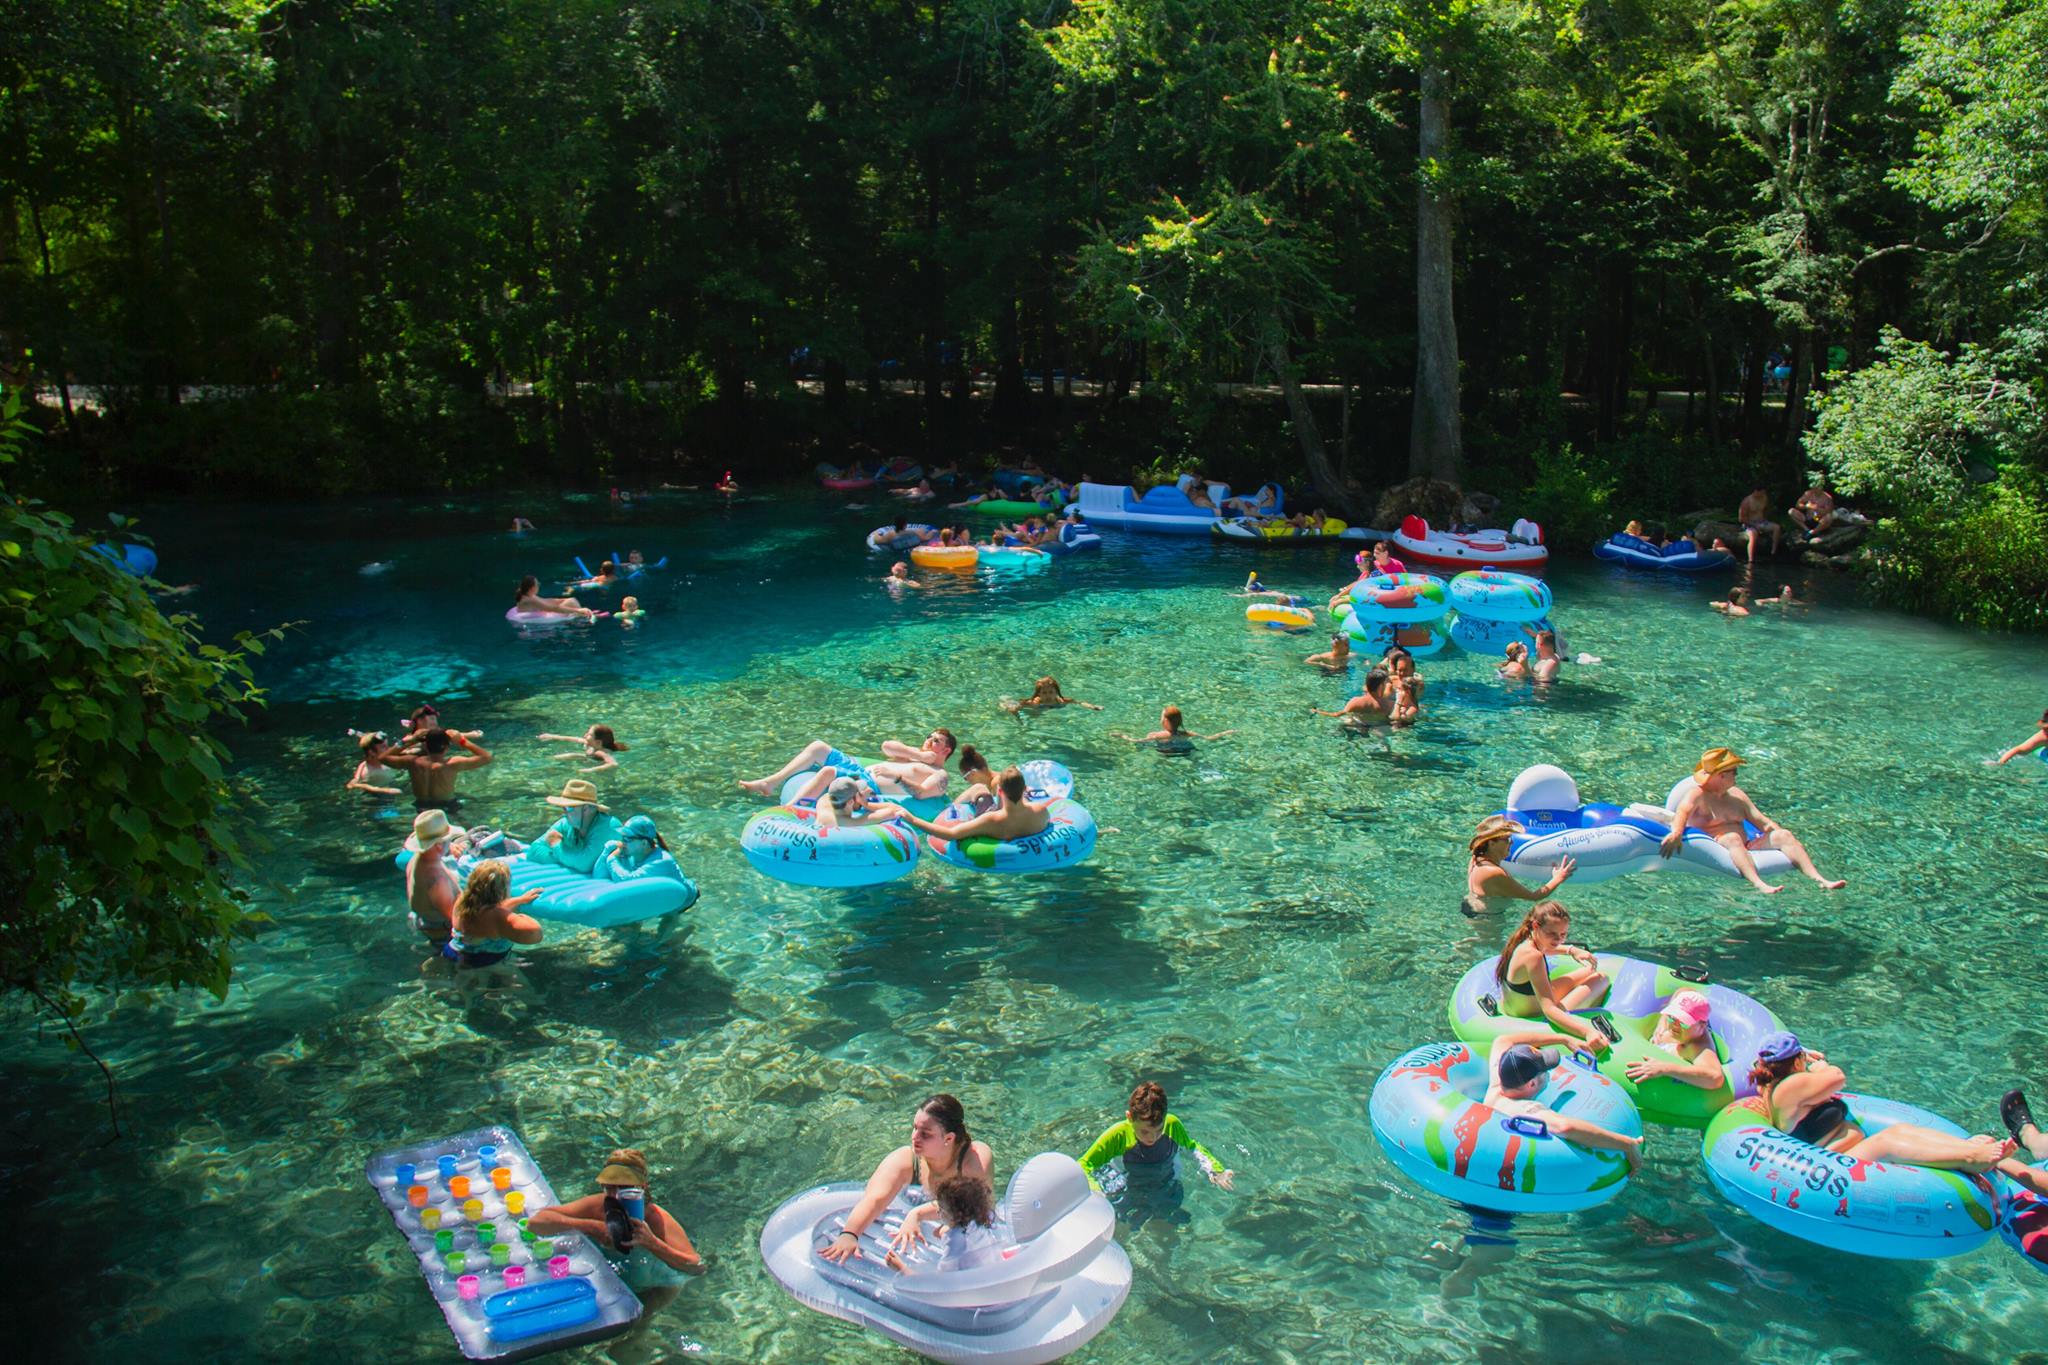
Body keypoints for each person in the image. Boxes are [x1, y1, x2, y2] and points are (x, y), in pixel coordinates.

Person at [1752, 1033, 2010, 1170]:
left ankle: (1964, 1145)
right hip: (1827, 1162)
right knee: (1887, 1142)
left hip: (1837, 1152)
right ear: (1797, 1060)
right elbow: (1837, 1078)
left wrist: (1804, 1057)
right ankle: (1971, 1158)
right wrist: (1819, 1065)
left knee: (1901, 1131)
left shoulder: (1776, 1084)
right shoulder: (1792, 1086)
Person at [820, 1095, 994, 1264]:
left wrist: (916, 1214)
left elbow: (967, 1206)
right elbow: (875, 1199)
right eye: (914, 1128)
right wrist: (849, 1234)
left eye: (925, 1134)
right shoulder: (906, 1160)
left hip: (969, 1231)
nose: (915, 1137)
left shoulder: (974, 1158)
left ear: (948, 1138)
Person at [1661, 747, 1845, 892]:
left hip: (1746, 844)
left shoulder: (1737, 796)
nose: (1737, 776)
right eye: (1734, 772)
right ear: (1721, 775)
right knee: (1732, 836)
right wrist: (1676, 833)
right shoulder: (1697, 796)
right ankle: (1758, 883)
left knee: (1785, 835)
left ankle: (1819, 879)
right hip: (1715, 844)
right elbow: (1682, 813)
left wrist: (1777, 835)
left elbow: (1762, 822)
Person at [528, 1148, 707, 1284]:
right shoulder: (597, 1205)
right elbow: (536, 1223)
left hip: (656, 1283)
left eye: (623, 1187)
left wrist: (652, 1243)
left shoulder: (655, 1218)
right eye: (609, 1187)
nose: (614, 1196)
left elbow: (697, 1267)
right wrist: (590, 1226)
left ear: (642, 1187)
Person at [1485, 1030, 1642, 1173]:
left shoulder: (1498, 1077)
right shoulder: (1523, 1108)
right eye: (1545, 1070)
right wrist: (1627, 1144)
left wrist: (1563, 1038)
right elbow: (1564, 1127)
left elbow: (1503, 1039)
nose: (1548, 1073)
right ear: (1531, 1084)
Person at [1494, 901, 1611, 1054]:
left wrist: (1571, 950)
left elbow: (1547, 948)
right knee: (1601, 980)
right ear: (1536, 926)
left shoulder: (1525, 941)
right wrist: (1587, 1032)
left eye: (1563, 934)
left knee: (1589, 971)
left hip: (1522, 1003)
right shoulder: (1533, 957)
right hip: (1532, 1013)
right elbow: (1549, 1009)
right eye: (1552, 934)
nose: (1559, 940)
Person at [1079, 1080, 1234, 1195]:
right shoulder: (1118, 1135)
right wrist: (1096, 1192)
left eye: (1159, 1130)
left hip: (1165, 1182)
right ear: (1130, 1117)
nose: (1152, 1138)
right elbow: (1083, 1165)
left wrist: (1216, 1171)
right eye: (1145, 1132)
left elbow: (1193, 1148)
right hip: (1127, 1186)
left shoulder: (1172, 1125)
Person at [739, 730, 957, 797]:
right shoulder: (914, 757)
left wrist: (897, 776)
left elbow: (921, 793)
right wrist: (919, 754)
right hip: (860, 770)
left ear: (946, 751)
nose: (928, 740)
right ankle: (770, 783)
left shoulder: (940, 775)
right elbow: (887, 746)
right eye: (929, 736)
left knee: (829, 771)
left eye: (935, 741)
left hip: (869, 783)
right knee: (818, 747)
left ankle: (792, 810)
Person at [891, 767, 1049, 843]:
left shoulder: (990, 820)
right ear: (1025, 789)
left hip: (1000, 822)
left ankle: (950, 807)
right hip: (1018, 815)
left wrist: (912, 820)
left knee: (979, 788)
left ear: (999, 793)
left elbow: (951, 834)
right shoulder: (1041, 811)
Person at [883, 1176, 1001, 1274]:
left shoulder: (955, 1241)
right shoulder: (982, 1218)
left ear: (957, 1215)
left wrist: (902, 1269)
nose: (938, 1212)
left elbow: (941, 1285)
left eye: (942, 1210)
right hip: (991, 1271)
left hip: (971, 1292)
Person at [1464, 816, 1573, 917]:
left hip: (1472, 907)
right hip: (1487, 919)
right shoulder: (1494, 873)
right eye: (1507, 839)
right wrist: (1558, 878)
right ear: (1492, 844)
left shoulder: (1475, 859)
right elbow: (1534, 896)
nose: (1511, 843)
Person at [445, 859, 543, 967]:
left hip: (452, 952)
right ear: (503, 889)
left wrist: (520, 900)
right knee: (523, 983)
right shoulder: (499, 917)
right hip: (481, 963)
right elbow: (535, 935)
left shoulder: (462, 901)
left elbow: (490, 909)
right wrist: (521, 916)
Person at [1622, 990, 1727, 1091]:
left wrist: (1665, 1068)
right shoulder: (1680, 1031)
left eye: (1683, 1022)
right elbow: (1683, 990)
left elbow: (1715, 1077)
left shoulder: (1697, 1047)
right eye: (1672, 1017)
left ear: (1702, 1025)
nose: (1674, 1025)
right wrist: (1663, 1020)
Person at [379, 728, 494, 810]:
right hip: (448, 805)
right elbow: (487, 757)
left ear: (425, 746)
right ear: (447, 747)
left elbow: (382, 757)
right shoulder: (452, 763)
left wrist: (408, 741)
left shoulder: (412, 762)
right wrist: (463, 741)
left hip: (421, 806)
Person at [527, 779, 625, 875]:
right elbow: (533, 851)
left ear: (587, 809)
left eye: (569, 807)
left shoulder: (609, 826)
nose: (564, 812)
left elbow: (584, 864)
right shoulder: (565, 823)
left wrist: (556, 845)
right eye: (563, 807)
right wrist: (569, 858)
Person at [404, 810, 464, 947]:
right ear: (438, 845)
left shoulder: (417, 860)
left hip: (423, 921)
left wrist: (448, 848)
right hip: (441, 933)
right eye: (448, 840)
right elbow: (457, 921)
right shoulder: (437, 880)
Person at [600, 815, 690, 884]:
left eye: (627, 839)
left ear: (644, 843)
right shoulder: (633, 854)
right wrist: (606, 851)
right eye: (622, 837)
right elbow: (599, 876)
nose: (622, 842)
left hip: (684, 903)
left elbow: (627, 882)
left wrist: (611, 859)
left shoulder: (661, 861)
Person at [1112, 704, 1234, 752]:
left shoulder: (1155, 735)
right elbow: (1210, 738)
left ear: (1164, 721)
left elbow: (1136, 741)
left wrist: (1122, 736)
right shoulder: (1187, 734)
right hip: (1186, 751)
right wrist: (1227, 732)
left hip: (1168, 753)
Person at [1312, 668, 1396, 728]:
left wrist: (1318, 712)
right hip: (1379, 728)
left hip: (1358, 726)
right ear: (1381, 686)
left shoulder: (1356, 702)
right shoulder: (1389, 704)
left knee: (1347, 721)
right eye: (1385, 684)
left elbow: (1336, 715)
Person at [539, 724, 628, 772]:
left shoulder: (600, 752)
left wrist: (590, 770)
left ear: (598, 742)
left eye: (589, 734)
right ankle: (548, 760)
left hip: (595, 762)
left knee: (574, 755)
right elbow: (574, 739)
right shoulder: (591, 743)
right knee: (575, 755)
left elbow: (613, 764)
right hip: (588, 757)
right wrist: (551, 736)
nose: (585, 735)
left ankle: (547, 760)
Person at [1002, 676, 1102, 714]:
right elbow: (1018, 704)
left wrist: (1093, 707)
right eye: (1044, 693)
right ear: (1039, 694)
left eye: (1051, 692)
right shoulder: (1034, 702)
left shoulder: (1061, 701)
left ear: (1056, 692)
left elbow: (1079, 702)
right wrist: (1012, 708)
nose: (1048, 695)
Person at [346, 732, 404, 797]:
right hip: (378, 798)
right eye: (383, 747)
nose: (388, 749)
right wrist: (379, 790)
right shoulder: (366, 770)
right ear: (372, 752)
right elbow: (351, 785)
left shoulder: (387, 759)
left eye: (387, 745)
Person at [512, 575, 595, 620]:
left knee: (570, 600)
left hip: (537, 612)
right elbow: (553, 608)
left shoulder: (527, 593)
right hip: (531, 618)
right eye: (537, 584)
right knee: (572, 602)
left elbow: (545, 601)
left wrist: (562, 600)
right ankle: (583, 616)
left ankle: (582, 614)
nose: (539, 586)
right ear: (531, 588)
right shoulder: (528, 600)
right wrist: (578, 610)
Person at [1736, 488, 1779, 561]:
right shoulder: (1747, 501)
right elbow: (1741, 519)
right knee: (1753, 535)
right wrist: (1754, 525)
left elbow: (1766, 510)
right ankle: (1751, 559)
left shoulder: (1764, 497)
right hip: (1749, 524)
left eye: (1763, 492)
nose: (1762, 494)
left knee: (1776, 528)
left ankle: (1773, 552)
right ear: (1756, 491)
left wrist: (1765, 520)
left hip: (1762, 522)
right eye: (1761, 493)